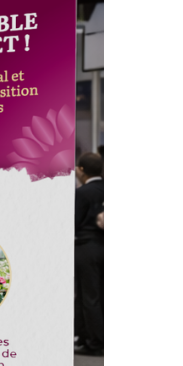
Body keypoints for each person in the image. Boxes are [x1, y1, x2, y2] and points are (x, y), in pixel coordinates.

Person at [73, 152, 104, 355]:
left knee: (88, 296)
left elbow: (73, 223)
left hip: (87, 247)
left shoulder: (83, 192)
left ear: (81, 170)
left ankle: (92, 341)